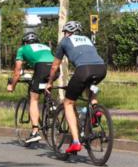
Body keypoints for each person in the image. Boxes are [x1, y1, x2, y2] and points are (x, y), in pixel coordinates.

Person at [48, 21, 107, 156]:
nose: (64, 34)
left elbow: (54, 66)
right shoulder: (87, 39)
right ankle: (95, 109)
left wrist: (50, 82)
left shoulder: (64, 41)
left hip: (83, 70)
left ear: (68, 32)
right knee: (90, 86)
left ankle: (75, 142)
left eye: (64, 32)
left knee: (68, 103)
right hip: (101, 68)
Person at [6, 32, 55, 144]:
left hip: (41, 68)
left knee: (34, 99)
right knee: (46, 86)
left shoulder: (22, 49)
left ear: (25, 42)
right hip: (55, 68)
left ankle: (35, 132)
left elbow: (17, 72)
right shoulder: (45, 46)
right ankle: (52, 107)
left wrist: (12, 85)